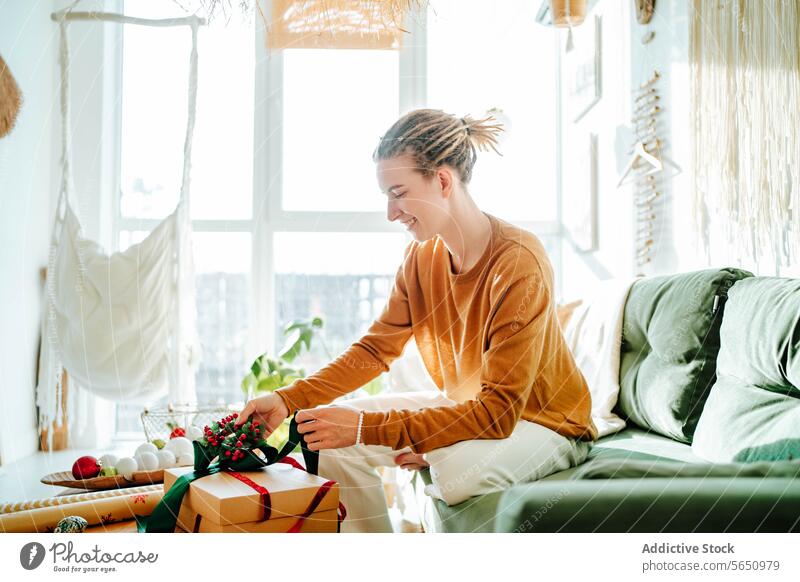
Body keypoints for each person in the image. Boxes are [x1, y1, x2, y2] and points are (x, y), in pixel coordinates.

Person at [235, 108, 598, 532]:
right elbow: (374, 351)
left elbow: (500, 413)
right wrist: (287, 399)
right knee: (331, 444)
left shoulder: (518, 263)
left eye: (399, 192)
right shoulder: (420, 257)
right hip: (470, 408)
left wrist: (389, 432)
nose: (392, 212)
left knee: (451, 469)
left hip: (546, 425)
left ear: (443, 181)